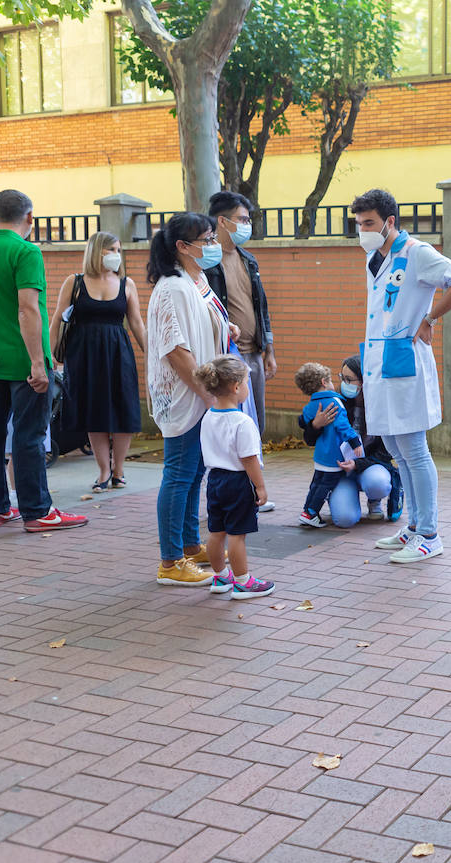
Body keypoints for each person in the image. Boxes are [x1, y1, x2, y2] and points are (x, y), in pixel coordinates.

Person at [351, 188, 451, 564]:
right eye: (358, 224)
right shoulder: (374, 257)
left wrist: (430, 318)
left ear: (390, 221)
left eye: (369, 223)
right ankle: (413, 525)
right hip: (378, 363)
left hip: (404, 363)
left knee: (415, 452)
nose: (363, 230)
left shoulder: (416, 253)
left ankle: (430, 534)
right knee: (395, 452)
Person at [0, 189, 88, 533]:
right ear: (30, 218)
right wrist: (38, 362)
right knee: (30, 436)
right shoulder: (25, 251)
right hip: (24, 361)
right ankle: (37, 511)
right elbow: (27, 309)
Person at [147, 212, 231, 587]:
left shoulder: (195, 281)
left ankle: (188, 543)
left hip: (200, 392)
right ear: (183, 246)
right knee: (180, 473)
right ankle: (170, 562)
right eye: (207, 239)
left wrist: (225, 327)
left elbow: (203, 324)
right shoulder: (173, 288)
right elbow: (175, 349)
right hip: (185, 395)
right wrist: (205, 391)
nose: (213, 245)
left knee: (194, 472)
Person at [49, 231, 146, 493]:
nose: (116, 255)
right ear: (96, 252)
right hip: (83, 355)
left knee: (123, 409)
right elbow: (57, 318)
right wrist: (50, 356)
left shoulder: (127, 284)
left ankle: (119, 470)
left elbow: (136, 322)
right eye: (110, 249)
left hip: (118, 352)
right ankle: (103, 470)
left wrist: (151, 353)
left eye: (118, 250)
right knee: (94, 412)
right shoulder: (75, 282)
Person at [206, 191, 277, 511]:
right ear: (222, 221)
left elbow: (261, 307)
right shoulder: (208, 262)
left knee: (254, 425)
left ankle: (254, 491)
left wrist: (269, 349)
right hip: (226, 359)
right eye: (243, 219)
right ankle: (234, 493)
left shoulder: (249, 260)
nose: (247, 225)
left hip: (253, 355)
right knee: (230, 428)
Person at [194, 355, 275, 599]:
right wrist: (260, 487)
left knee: (216, 532)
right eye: (247, 382)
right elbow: (249, 459)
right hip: (238, 482)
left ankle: (220, 576)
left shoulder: (208, 416)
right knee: (237, 535)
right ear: (236, 387)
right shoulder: (243, 422)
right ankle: (243, 581)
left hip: (215, 480)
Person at [299, 356, 403, 527]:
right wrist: (315, 425)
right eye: (342, 378)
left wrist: (358, 464)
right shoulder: (333, 402)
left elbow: (385, 453)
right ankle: (341, 497)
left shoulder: (381, 405)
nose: (343, 383)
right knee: (345, 519)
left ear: (364, 381)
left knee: (377, 483)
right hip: (338, 469)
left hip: (369, 466)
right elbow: (309, 441)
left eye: (349, 379)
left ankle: (374, 500)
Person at [294, 361, 364, 528]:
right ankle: (311, 512)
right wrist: (354, 442)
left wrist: (312, 423)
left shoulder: (312, 403)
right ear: (324, 383)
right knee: (325, 486)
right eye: (331, 380)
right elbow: (343, 426)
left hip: (320, 455)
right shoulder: (335, 402)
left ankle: (307, 511)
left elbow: (303, 419)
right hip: (334, 456)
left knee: (316, 483)